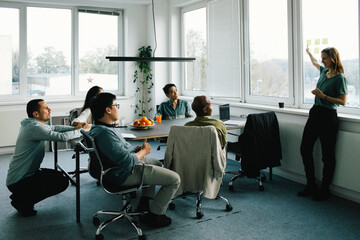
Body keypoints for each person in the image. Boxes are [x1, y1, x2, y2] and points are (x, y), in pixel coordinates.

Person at [89, 92, 180, 228]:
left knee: (156, 163)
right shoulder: (105, 134)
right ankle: (155, 215)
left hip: (116, 169)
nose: (117, 108)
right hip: (122, 174)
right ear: (108, 110)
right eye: (116, 105)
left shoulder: (100, 128)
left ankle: (145, 202)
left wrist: (135, 150)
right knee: (175, 179)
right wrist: (143, 152)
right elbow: (126, 161)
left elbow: (119, 152)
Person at [6, 99, 90, 217]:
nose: (49, 109)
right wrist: (81, 131)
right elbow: (61, 137)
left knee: (58, 176)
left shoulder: (33, 124)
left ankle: (21, 195)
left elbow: (55, 128)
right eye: (46, 108)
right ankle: (21, 201)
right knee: (61, 182)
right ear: (36, 114)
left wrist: (74, 129)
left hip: (26, 174)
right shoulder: (34, 128)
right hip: (18, 181)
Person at [298, 47, 348, 201]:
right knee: (305, 149)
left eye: (325, 58)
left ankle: (324, 189)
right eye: (321, 58)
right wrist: (309, 54)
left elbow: (343, 101)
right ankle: (311, 184)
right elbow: (314, 63)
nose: (322, 61)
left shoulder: (340, 78)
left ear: (333, 58)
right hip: (315, 114)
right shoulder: (323, 72)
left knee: (327, 156)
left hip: (328, 117)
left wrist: (323, 96)